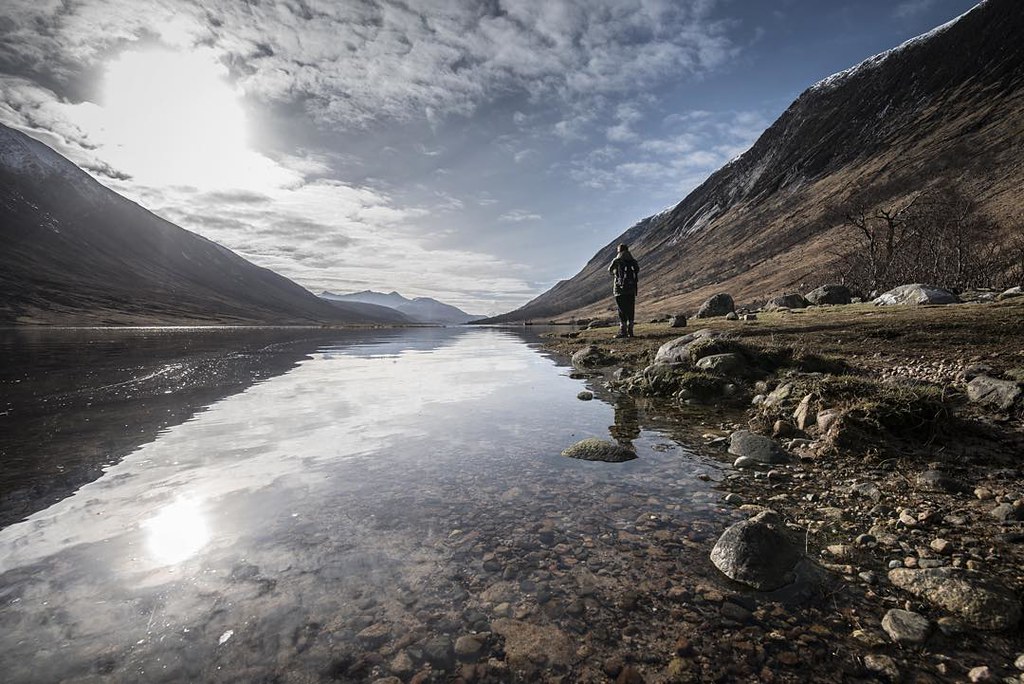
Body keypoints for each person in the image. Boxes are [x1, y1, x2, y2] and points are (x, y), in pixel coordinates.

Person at [607, 243, 639, 338]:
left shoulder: (617, 260)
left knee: (622, 310)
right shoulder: (633, 261)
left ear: (619, 250)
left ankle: (623, 331)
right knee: (631, 310)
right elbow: (637, 270)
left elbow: (609, 270)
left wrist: (616, 274)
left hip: (619, 290)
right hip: (631, 290)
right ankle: (631, 331)